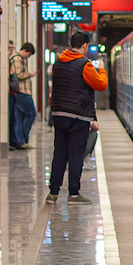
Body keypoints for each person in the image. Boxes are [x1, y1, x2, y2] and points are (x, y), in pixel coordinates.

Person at [47, 31, 108, 204]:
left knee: (59, 153)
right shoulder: (84, 64)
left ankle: (53, 193)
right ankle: (73, 193)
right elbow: (101, 84)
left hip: (58, 114)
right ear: (85, 46)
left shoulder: (58, 62)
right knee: (75, 154)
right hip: (77, 115)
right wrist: (101, 69)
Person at [9, 42, 37, 150]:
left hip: (20, 93)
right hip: (22, 92)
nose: (28, 57)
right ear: (25, 51)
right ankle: (23, 138)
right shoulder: (17, 59)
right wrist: (30, 74)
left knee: (19, 118)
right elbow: (19, 75)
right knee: (31, 114)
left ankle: (20, 141)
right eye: (28, 54)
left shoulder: (19, 59)